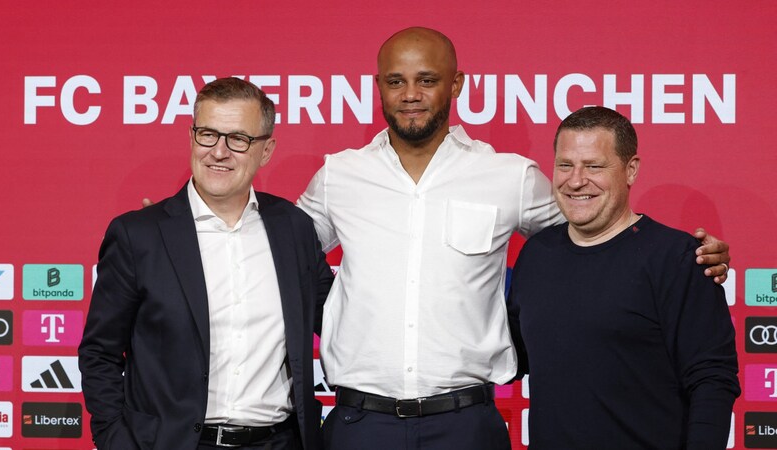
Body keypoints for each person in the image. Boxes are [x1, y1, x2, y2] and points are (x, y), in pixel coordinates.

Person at [296, 27, 731, 450]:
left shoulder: (509, 176)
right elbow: (280, 250)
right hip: (360, 422)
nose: (411, 94)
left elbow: (596, 224)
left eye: (427, 80)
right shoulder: (340, 175)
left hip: (467, 424)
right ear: (379, 86)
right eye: (396, 81)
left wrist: (681, 257)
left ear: (456, 84)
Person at [79, 77, 333, 450]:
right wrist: (115, 439)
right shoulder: (139, 236)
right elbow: (99, 352)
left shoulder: (292, 228)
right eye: (208, 135)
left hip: (279, 442)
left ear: (266, 151)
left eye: (239, 139)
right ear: (191, 137)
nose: (219, 151)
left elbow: (336, 319)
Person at [508, 106, 739, 449]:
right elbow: (513, 357)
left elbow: (712, 378)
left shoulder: (677, 258)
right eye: (565, 165)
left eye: (594, 166)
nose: (575, 180)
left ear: (630, 170)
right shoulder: (536, 254)